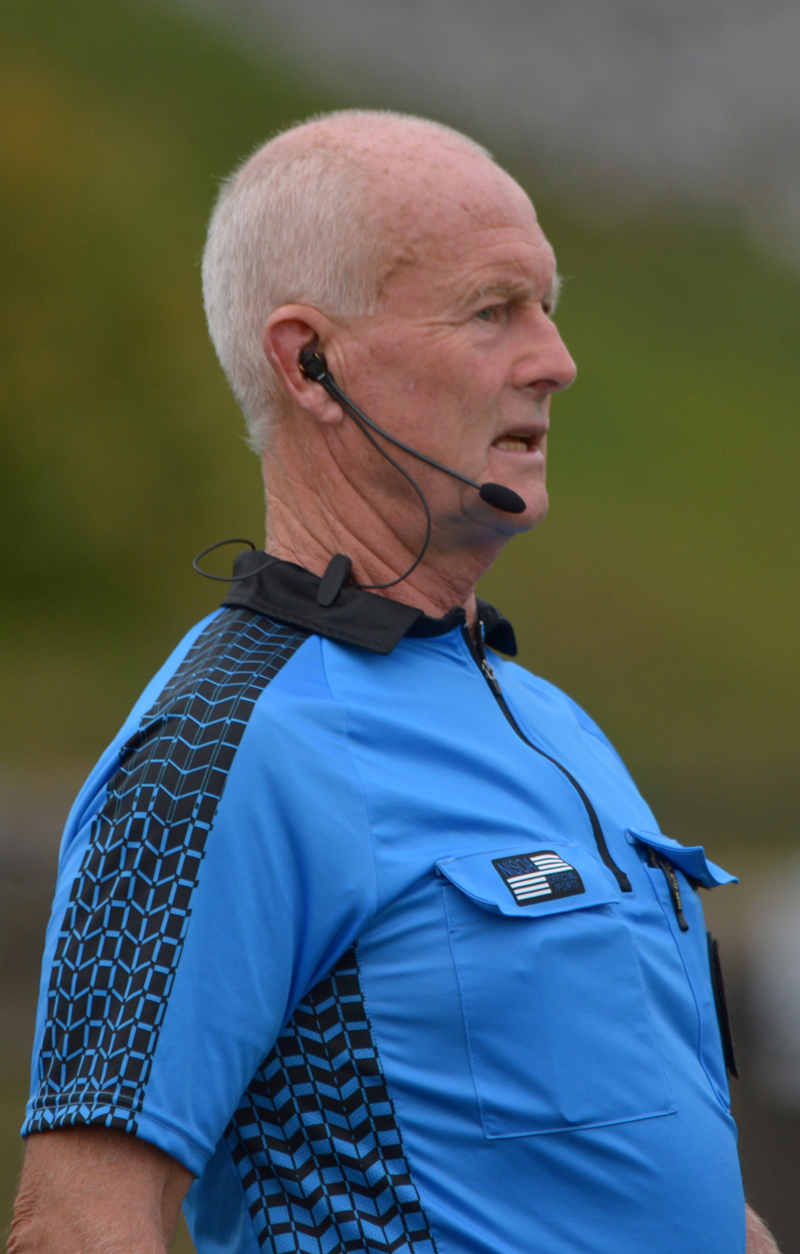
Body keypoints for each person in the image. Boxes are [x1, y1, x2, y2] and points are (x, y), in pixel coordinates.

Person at [10, 110, 780, 1254]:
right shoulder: (220, 747)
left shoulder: (550, 722)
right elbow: (78, 1222)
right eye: (490, 311)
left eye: (547, 307)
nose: (555, 361)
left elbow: (675, 1178)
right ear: (307, 363)